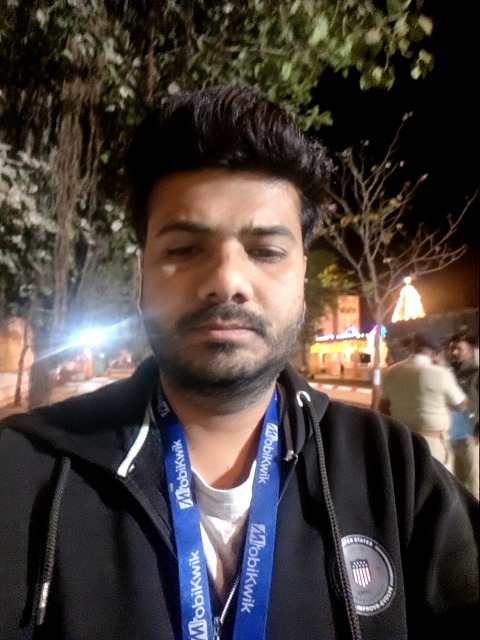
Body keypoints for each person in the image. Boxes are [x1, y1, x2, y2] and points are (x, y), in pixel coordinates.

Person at [0, 85, 478, 640]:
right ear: (142, 273)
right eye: (184, 249)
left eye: (266, 251)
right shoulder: (26, 472)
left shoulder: (393, 471)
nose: (227, 280)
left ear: (302, 276)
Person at [379, 330, 468, 471]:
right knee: (436, 480)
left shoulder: (390, 372)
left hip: (402, 439)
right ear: (435, 353)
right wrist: (444, 367)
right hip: (432, 444)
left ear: (412, 348)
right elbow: (461, 404)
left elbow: (383, 406)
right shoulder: (440, 374)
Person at [448, 332, 479, 498]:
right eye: (452, 348)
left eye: (459, 348)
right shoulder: (449, 372)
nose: (454, 352)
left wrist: (478, 432)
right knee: (456, 478)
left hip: (470, 433)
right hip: (452, 433)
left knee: (472, 478)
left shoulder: (475, 373)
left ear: (471, 350)